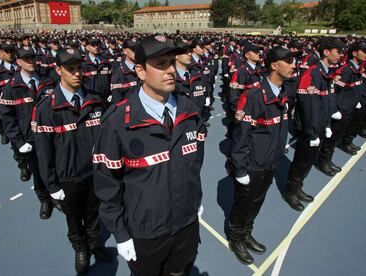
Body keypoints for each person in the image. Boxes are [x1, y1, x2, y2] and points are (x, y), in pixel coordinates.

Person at [93, 35, 206, 276]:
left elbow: (194, 162)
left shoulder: (189, 110)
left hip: (186, 223)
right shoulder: (117, 122)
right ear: (141, 71)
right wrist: (121, 234)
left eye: (172, 62)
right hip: (147, 233)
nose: (170, 70)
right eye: (161, 64)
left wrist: (195, 199)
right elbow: (107, 185)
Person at [33, 48, 112, 274]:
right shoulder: (47, 108)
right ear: (58, 70)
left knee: (94, 213)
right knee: (74, 218)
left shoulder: (94, 100)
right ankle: (80, 248)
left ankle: (95, 244)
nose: (77, 73)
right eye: (71, 69)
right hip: (68, 177)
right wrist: (52, 186)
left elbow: (106, 136)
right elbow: (44, 152)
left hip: (94, 173)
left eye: (79, 68)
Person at [229, 46, 295, 265]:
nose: (294, 65)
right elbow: (240, 136)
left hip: (270, 161)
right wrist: (239, 168)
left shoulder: (283, 91)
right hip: (252, 165)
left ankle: (247, 232)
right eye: (289, 61)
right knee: (243, 205)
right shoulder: (255, 95)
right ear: (275, 65)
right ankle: (236, 237)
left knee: (257, 202)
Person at [282, 37, 344, 212]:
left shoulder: (326, 72)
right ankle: (290, 191)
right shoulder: (313, 73)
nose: (340, 55)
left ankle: (298, 187)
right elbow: (309, 106)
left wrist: (327, 123)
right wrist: (312, 132)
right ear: (326, 52)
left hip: (319, 126)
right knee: (301, 161)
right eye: (338, 51)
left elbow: (328, 100)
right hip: (310, 129)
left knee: (309, 161)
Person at [0, 46, 55, 219]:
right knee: (38, 173)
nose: (31, 61)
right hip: (30, 140)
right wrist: (19, 142)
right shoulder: (12, 87)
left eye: (32, 57)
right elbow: (8, 118)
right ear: (18, 62)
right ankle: (45, 199)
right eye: (26, 58)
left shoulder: (49, 82)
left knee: (56, 167)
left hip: (51, 135)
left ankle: (56, 195)